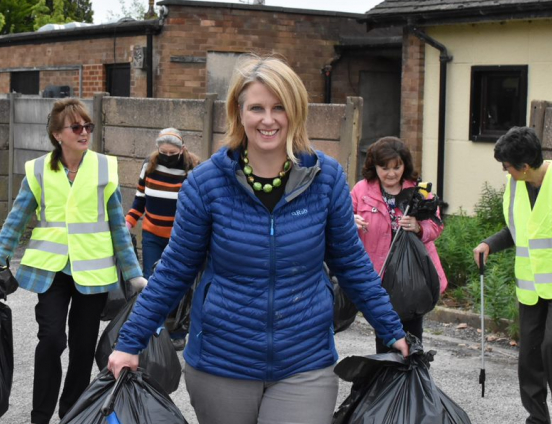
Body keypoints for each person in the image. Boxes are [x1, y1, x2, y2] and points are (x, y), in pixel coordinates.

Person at [108, 55, 407, 424]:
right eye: (257, 108)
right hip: (221, 362)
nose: (268, 119)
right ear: (239, 112)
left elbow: (351, 263)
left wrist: (393, 331)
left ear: (295, 111)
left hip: (305, 361)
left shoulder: (325, 178)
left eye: (279, 107)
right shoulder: (206, 183)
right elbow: (174, 270)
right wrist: (129, 342)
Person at [0, 98, 146, 424]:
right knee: (52, 339)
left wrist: (134, 274)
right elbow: (15, 222)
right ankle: (40, 416)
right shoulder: (39, 170)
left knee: (83, 350)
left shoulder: (103, 168)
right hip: (51, 271)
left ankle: (71, 413)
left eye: (88, 126)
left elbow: (117, 226)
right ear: (57, 134)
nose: (84, 132)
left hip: (93, 272)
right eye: (76, 127)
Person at [473, 127, 552, 424]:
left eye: (507, 166)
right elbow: (518, 231)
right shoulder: (515, 185)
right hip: (530, 288)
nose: (505, 171)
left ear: (525, 167)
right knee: (529, 355)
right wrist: (490, 243)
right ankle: (537, 419)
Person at [351, 136, 447, 354]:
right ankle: (387, 384)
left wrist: (418, 227)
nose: (391, 173)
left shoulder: (419, 191)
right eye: (384, 167)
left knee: (413, 337)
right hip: (379, 276)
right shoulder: (361, 190)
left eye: (397, 167)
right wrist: (351, 221)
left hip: (414, 276)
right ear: (374, 166)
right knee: (385, 335)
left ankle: (411, 382)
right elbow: (340, 216)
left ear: (405, 165)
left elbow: (436, 225)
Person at [125, 128, 200, 279]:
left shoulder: (193, 169)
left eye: (172, 153)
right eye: (163, 152)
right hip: (152, 235)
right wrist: (127, 223)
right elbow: (140, 199)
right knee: (150, 279)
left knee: (175, 281)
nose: (167, 157)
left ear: (182, 149)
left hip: (179, 238)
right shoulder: (149, 165)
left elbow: (197, 208)